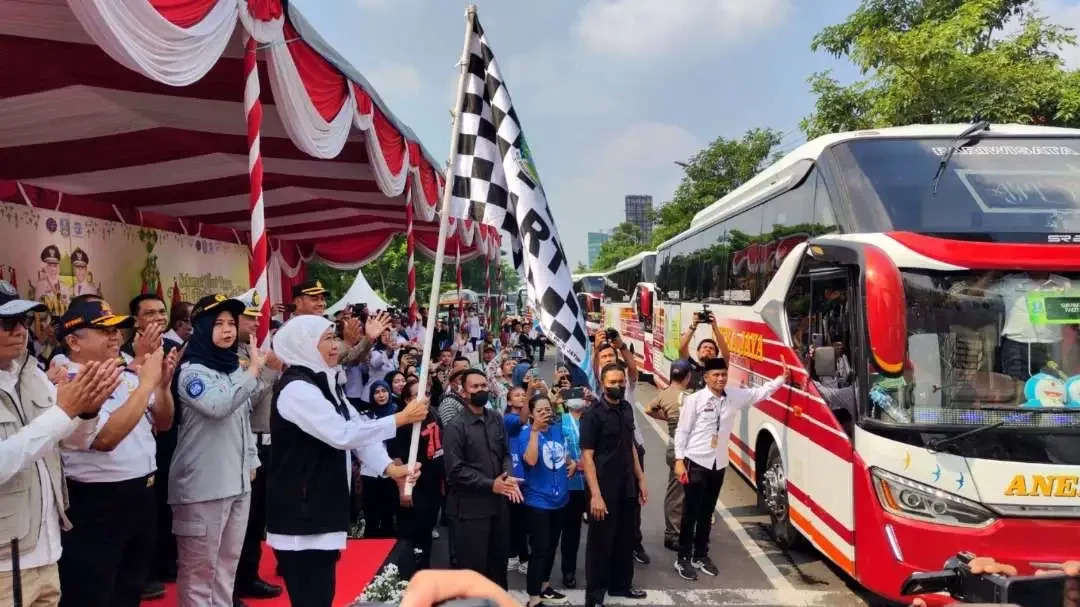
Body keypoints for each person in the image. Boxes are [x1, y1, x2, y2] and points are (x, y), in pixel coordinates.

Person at [266, 315, 426, 607]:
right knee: (311, 597)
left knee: (322, 594)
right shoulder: (297, 389)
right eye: (327, 339)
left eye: (334, 337)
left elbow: (357, 428)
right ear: (303, 346)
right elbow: (343, 434)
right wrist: (400, 418)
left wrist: (390, 468)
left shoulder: (327, 382)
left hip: (322, 505)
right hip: (302, 512)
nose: (335, 345)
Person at [0, 281, 122, 607]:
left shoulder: (32, 372)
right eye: (6, 323)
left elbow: (73, 441)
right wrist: (63, 412)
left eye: (23, 321)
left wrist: (88, 410)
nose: (19, 331)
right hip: (5, 560)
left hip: (46, 547)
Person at [57, 298, 178, 607]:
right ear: (73, 341)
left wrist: (161, 386)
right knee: (94, 590)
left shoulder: (124, 373)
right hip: (96, 501)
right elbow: (105, 439)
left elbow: (163, 423)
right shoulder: (65, 381)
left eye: (117, 330)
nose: (115, 337)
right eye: (104, 331)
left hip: (140, 493)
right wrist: (146, 383)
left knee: (131, 585)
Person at [167, 294, 270, 606]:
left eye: (230, 323)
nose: (227, 330)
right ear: (200, 327)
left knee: (227, 568)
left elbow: (243, 422)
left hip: (237, 483)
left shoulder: (230, 368)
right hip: (203, 488)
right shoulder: (192, 372)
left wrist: (251, 459)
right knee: (200, 574)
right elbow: (219, 406)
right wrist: (252, 370)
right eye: (218, 323)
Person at [673, 358, 789, 580]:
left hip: (719, 463)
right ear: (705, 377)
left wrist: (781, 379)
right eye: (715, 375)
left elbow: (760, 393)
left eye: (723, 374)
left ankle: (701, 555)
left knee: (707, 513)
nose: (720, 379)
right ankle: (683, 559)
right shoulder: (695, 400)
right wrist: (679, 460)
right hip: (696, 461)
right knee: (691, 513)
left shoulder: (734, 396)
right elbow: (682, 431)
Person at [442, 369, 522, 588]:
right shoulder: (455, 426)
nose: (480, 390)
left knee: (499, 566)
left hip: (499, 508)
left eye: (483, 386)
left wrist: (507, 476)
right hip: (470, 512)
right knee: (474, 572)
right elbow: (455, 470)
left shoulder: (496, 418)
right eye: (474, 387)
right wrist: (491, 484)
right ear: (464, 392)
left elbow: (506, 452)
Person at [580, 364, 648, 607]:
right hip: (603, 488)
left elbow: (630, 446)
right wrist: (595, 496)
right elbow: (587, 457)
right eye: (613, 383)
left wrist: (641, 479)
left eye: (621, 382)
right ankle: (595, 596)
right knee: (601, 544)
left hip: (627, 485)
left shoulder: (627, 408)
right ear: (602, 382)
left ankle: (621, 586)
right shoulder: (593, 415)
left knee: (625, 538)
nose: (618, 386)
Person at [232, 289, 284, 601]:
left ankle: (248, 576)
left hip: (266, 442)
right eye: (248, 317)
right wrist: (268, 370)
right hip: (246, 443)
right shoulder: (233, 356)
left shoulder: (252, 351)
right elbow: (246, 400)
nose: (255, 323)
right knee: (243, 520)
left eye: (256, 317)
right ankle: (235, 582)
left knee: (256, 519)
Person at [515, 394, 571, 606]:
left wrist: (571, 463)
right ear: (531, 414)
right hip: (537, 502)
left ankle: (545, 585)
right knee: (539, 549)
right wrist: (536, 431)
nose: (546, 413)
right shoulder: (526, 434)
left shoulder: (556, 429)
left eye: (548, 409)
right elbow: (530, 460)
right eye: (540, 410)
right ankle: (533, 597)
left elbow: (561, 453)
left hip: (560, 500)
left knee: (551, 546)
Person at [388, 386, 445, 574]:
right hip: (414, 488)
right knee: (409, 536)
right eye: (419, 395)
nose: (426, 398)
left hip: (433, 486)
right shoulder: (403, 425)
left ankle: (424, 572)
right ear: (407, 400)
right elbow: (396, 459)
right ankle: (406, 577)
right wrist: (403, 488)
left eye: (428, 393)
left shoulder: (433, 415)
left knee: (426, 532)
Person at [645, 359, 692, 551]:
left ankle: (676, 530)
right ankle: (673, 533)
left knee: (677, 490)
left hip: (673, 447)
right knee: (679, 493)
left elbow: (648, 409)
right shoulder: (691, 396)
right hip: (686, 449)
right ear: (688, 377)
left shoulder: (664, 395)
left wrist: (668, 418)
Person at [361, 380, 399, 539]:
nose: (381, 395)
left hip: (392, 469)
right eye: (377, 392)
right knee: (372, 514)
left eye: (384, 391)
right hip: (370, 471)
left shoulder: (398, 414)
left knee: (389, 514)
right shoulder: (365, 417)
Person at [558, 386, 588, 589]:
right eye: (573, 397)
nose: (578, 400)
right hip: (570, 484)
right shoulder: (560, 422)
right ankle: (568, 570)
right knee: (571, 530)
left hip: (593, 483)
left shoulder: (591, 420)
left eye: (581, 397)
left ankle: (599, 568)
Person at [503, 385, 531, 574]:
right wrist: (530, 393)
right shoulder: (509, 419)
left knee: (519, 520)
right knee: (518, 520)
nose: (521, 398)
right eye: (517, 395)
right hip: (514, 477)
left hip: (528, 476)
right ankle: (521, 557)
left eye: (523, 395)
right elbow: (521, 419)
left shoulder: (530, 421)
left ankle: (514, 555)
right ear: (509, 401)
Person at [678, 312, 730, 392]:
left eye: (711, 348)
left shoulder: (718, 368)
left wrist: (715, 328)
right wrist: (693, 326)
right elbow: (682, 349)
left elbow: (726, 354)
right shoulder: (690, 365)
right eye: (704, 347)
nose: (707, 349)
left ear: (716, 355)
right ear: (697, 352)